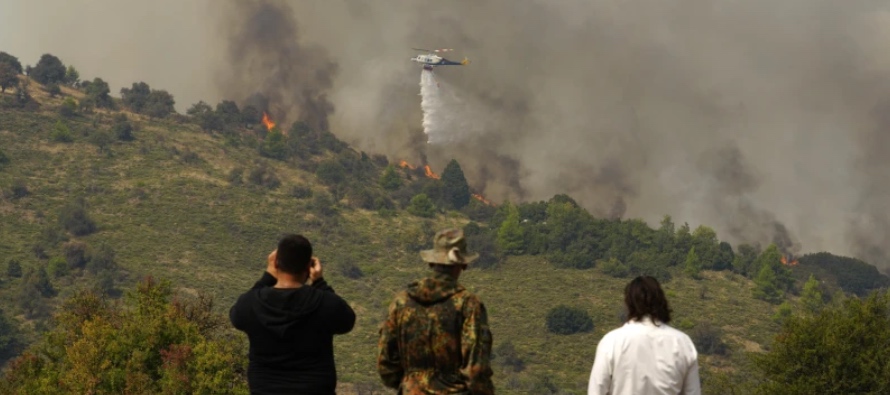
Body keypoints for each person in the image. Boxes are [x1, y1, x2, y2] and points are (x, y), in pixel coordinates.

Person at [230, 234, 356, 395]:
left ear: (275, 263)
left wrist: (267, 277)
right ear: (308, 267)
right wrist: (319, 283)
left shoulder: (253, 304)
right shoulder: (324, 303)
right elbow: (347, 320)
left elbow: (236, 315)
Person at [377, 228, 495, 394]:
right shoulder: (467, 304)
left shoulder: (401, 302)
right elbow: (475, 367)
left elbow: (386, 363)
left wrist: (410, 383)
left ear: (431, 262)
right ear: (464, 264)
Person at [588, 276, 701, 395]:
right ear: (661, 301)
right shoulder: (682, 343)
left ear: (628, 302)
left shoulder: (611, 342)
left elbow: (596, 390)